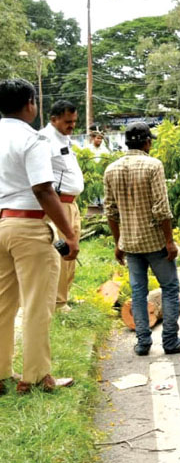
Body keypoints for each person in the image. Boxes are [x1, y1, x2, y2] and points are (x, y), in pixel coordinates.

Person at [0, 79, 78, 394]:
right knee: (37, 304)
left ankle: (2, 371)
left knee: (4, 304)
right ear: (31, 103)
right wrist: (69, 234)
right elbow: (43, 189)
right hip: (29, 227)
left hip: (2, 223)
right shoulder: (32, 139)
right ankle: (35, 377)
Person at [104, 122, 180, 356]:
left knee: (138, 292)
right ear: (147, 142)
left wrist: (118, 243)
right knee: (170, 288)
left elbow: (110, 210)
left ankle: (142, 343)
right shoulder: (153, 165)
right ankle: (170, 341)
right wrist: (170, 241)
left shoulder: (111, 169)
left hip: (130, 243)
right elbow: (161, 208)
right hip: (155, 241)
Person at [40, 100, 84, 312]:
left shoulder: (64, 139)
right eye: (68, 121)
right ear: (53, 119)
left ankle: (64, 296)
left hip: (71, 204)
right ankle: (57, 302)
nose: (72, 126)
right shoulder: (44, 140)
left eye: (74, 121)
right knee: (63, 250)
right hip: (59, 204)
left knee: (71, 253)